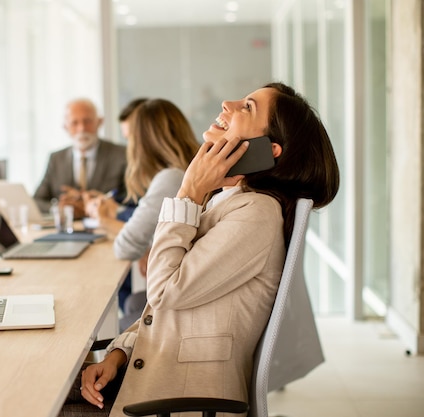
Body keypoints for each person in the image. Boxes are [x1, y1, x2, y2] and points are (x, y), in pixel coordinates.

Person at [60, 82, 340, 416]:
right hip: (151, 376)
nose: (227, 103)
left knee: (39, 393)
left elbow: (163, 291)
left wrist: (189, 191)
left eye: (247, 107)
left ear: (269, 149)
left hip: (171, 401)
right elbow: (165, 314)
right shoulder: (230, 199)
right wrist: (118, 353)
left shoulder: (256, 215)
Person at [85, 98, 199, 331]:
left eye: (130, 140)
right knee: (130, 301)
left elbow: (126, 246)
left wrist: (105, 220)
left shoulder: (171, 178)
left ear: (144, 142)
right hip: (182, 290)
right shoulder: (185, 172)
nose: (129, 149)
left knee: (91, 330)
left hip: (179, 302)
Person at [33, 98, 127, 218]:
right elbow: (37, 201)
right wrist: (60, 209)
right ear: (65, 127)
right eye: (74, 123)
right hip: (66, 231)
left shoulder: (121, 155)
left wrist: (93, 203)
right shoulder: (56, 159)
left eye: (87, 121)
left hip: (108, 229)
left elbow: (132, 201)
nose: (82, 128)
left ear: (99, 122)